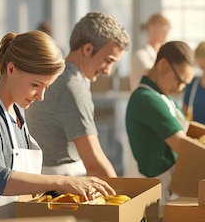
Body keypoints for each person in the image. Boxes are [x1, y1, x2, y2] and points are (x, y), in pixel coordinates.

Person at [0, 30, 115, 222]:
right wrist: (61, 181)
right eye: (35, 85)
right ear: (11, 69)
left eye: (45, 88)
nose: (40, 96)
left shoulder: (16, 115)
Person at [25, 12, 130, 177]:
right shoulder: (71, 85)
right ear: (87, 49)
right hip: (61, 188)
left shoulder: (61, 76)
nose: (108, 71)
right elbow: (93, 162)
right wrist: (122, 198)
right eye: (108, 60)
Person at [126, 41, 196, 204]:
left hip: (173, 186)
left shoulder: (164, 97)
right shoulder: (146, 99)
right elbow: (183, 146)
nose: (179, 88)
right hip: (159, 190)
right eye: (178, 80)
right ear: (163, 64)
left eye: (184, 85)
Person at [129, 13, 171, 90]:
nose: (166, 33)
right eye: (162, 28)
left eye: (168, 29)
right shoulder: (141, 55)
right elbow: (155, 76)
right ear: (151, 28)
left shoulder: (161, 54)